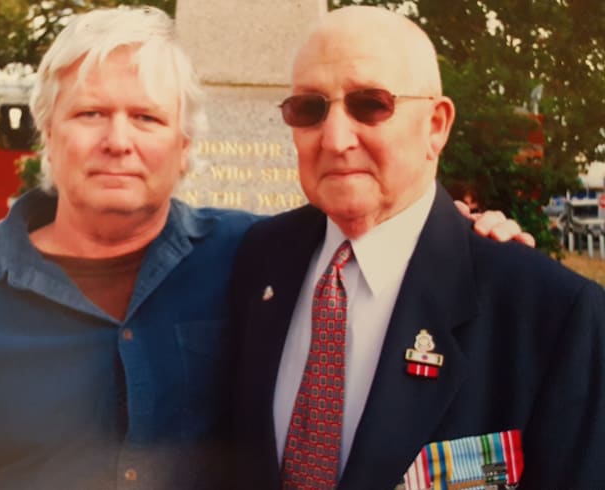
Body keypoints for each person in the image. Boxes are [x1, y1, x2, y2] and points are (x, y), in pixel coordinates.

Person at [0, 6, 532, 490]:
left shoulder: (258, 259)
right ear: (48, 131)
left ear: (186, 147)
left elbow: (391, 234)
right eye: (90, 113)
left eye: (149, 117)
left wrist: (475, 239)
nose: (118, 140)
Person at [229, 6, 605, 490]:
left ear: (436, 125)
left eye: (370, 104)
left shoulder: (551, 313)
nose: (336, 138)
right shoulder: (256, 259)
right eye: (309, 108)